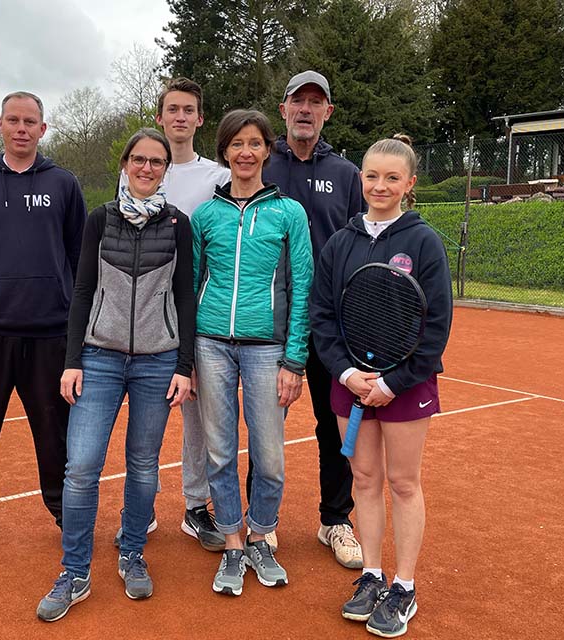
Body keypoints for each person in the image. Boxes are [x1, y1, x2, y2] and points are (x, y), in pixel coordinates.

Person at [36, 128, 195, 622]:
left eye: (157, 162)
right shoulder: (99, 220)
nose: (148, 168)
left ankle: (131, 553)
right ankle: (75, 571)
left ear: (166, 170)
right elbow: (82, 290)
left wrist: (184, 367)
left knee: (144, 465)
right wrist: (71, 359)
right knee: (81, 468)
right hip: (98, 359)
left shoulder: (179, 224)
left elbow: (186, 297)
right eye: (140, 160)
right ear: (125, 164)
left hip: (157, 361)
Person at [311, 135, 453, 637]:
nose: (380, 185)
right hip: (350, 383)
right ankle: (372, 575)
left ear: (409, 184)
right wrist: (348, 374)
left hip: (405, 386)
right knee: (366, 480)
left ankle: (404, 586)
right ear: (360, 179)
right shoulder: (340, 242)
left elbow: (434, 329)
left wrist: (392, 382)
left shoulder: (424, 242)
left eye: (392, 177)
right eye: (372, 176)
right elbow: (321, 318)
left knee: (404, 482)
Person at [0, 91, 87, 553]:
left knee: (55, 431)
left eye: (31, 121)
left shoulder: (64, 183)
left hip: (50, 333)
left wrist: (57, 299)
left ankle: (66, 513)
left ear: (43, 130)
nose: (22, 128)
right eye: (13, 120)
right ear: (0, 125)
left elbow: (77, 253)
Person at [192, 109, 312, 597]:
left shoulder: (289, 213)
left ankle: (262, 534)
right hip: (210, 345)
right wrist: (187, 361)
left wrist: (294, 360)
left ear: (268, 150)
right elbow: (191, 285)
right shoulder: (205, 216)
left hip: (268, 350)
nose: (245, 152)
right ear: (225, 151)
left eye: (255, 143)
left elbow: (302, 285)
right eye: (237, 144)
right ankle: (234, 544)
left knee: (269, 455)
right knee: (219, 453)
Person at [113, 77, 230, 553]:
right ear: (160, 116)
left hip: (195, 309)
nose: (180, 117)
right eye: (172, 109)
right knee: (146, 416)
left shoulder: (217, 176)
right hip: (140, 315)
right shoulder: (139, 171)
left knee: (198, 416)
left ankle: (195, 506)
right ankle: (141, 508)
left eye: (189, 110)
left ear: (200, 119)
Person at [260, 70, 365, 567]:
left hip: (329, 324)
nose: (305, 109)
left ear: (328, 112)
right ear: (283, 110)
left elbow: (363, 244)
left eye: (315, 102)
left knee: (334, 427)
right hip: (268, 321)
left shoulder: (346, 174)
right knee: (266, 427)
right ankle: (263, 522)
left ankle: (335, 520)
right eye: (296, 100)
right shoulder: (260, 164)